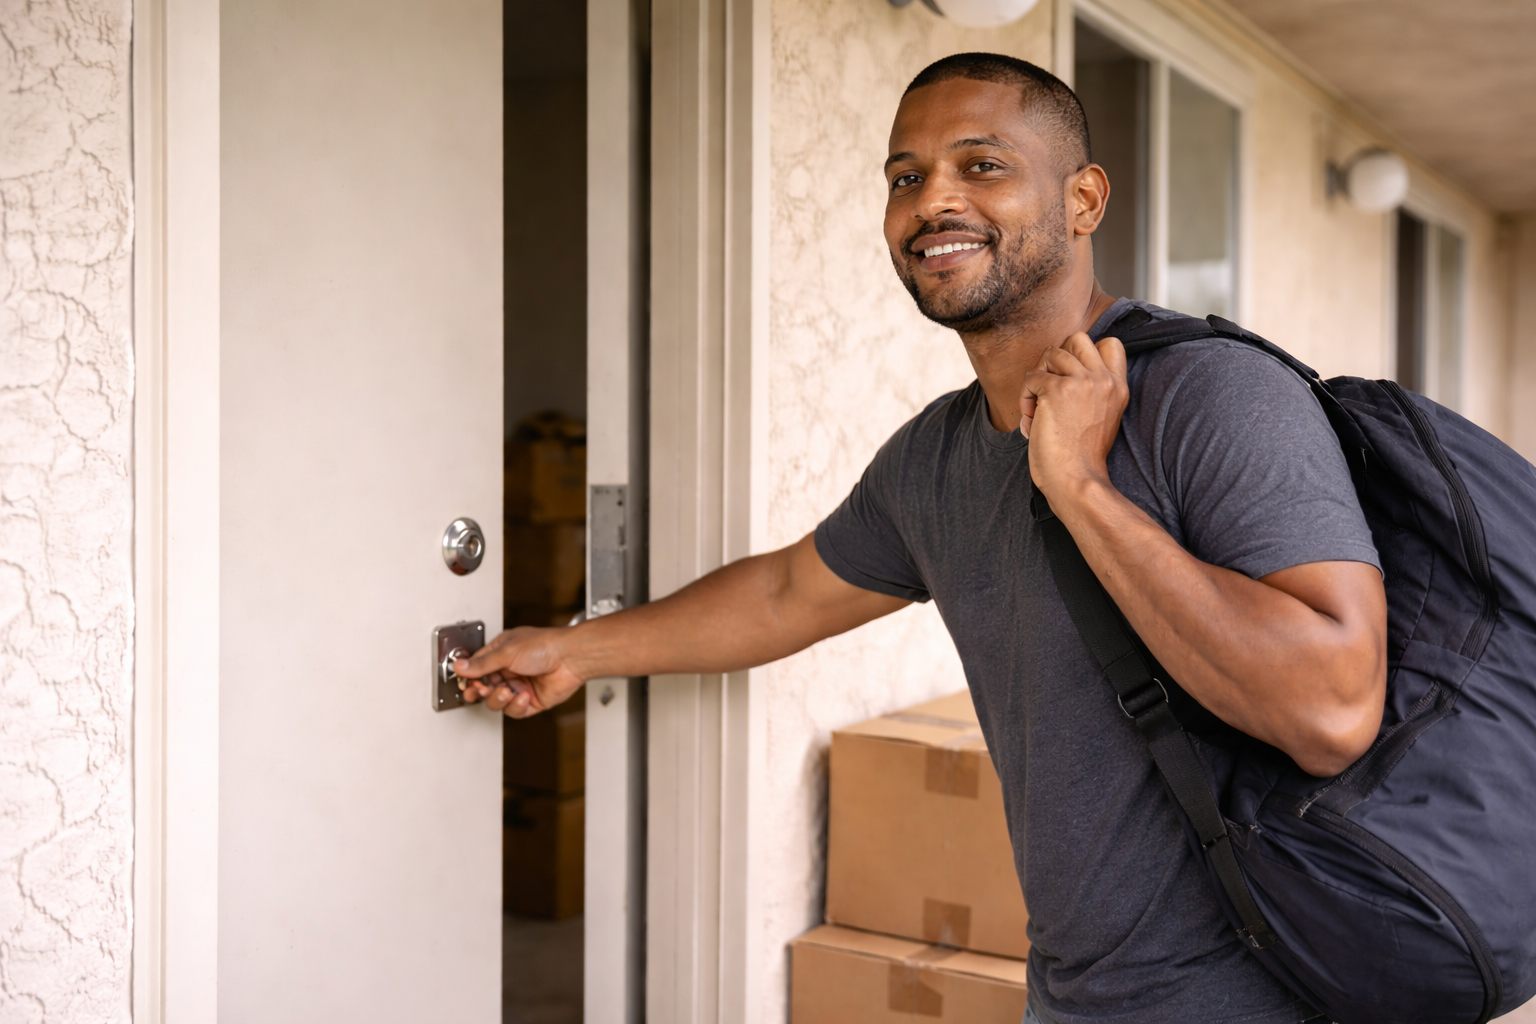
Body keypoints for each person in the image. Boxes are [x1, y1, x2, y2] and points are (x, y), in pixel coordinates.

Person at [459, 52, 1387, 1024]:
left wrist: (1075, 484)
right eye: (906, 177)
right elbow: (788, 592)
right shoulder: (934, 460)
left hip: (1260, 994)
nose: (932, 199)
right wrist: (572, 649)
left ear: (1083, 200)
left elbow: (1331, 702)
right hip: (1075, 992)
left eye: (982, 164)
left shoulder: (1210, 398)